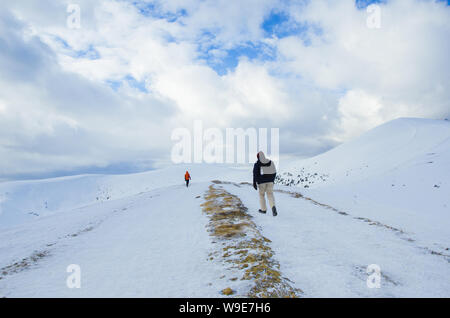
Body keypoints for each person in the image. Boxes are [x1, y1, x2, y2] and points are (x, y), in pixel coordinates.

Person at [253, 151, 277, 216]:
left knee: (262, 195)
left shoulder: (257, 164)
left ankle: (263, 210)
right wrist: (272, 180)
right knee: (270, 195)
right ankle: (273, 207)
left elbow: (255, 174)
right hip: (270, 181)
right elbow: (274, 172)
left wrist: (254, 183)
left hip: (261, 182)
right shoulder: (270, 162)